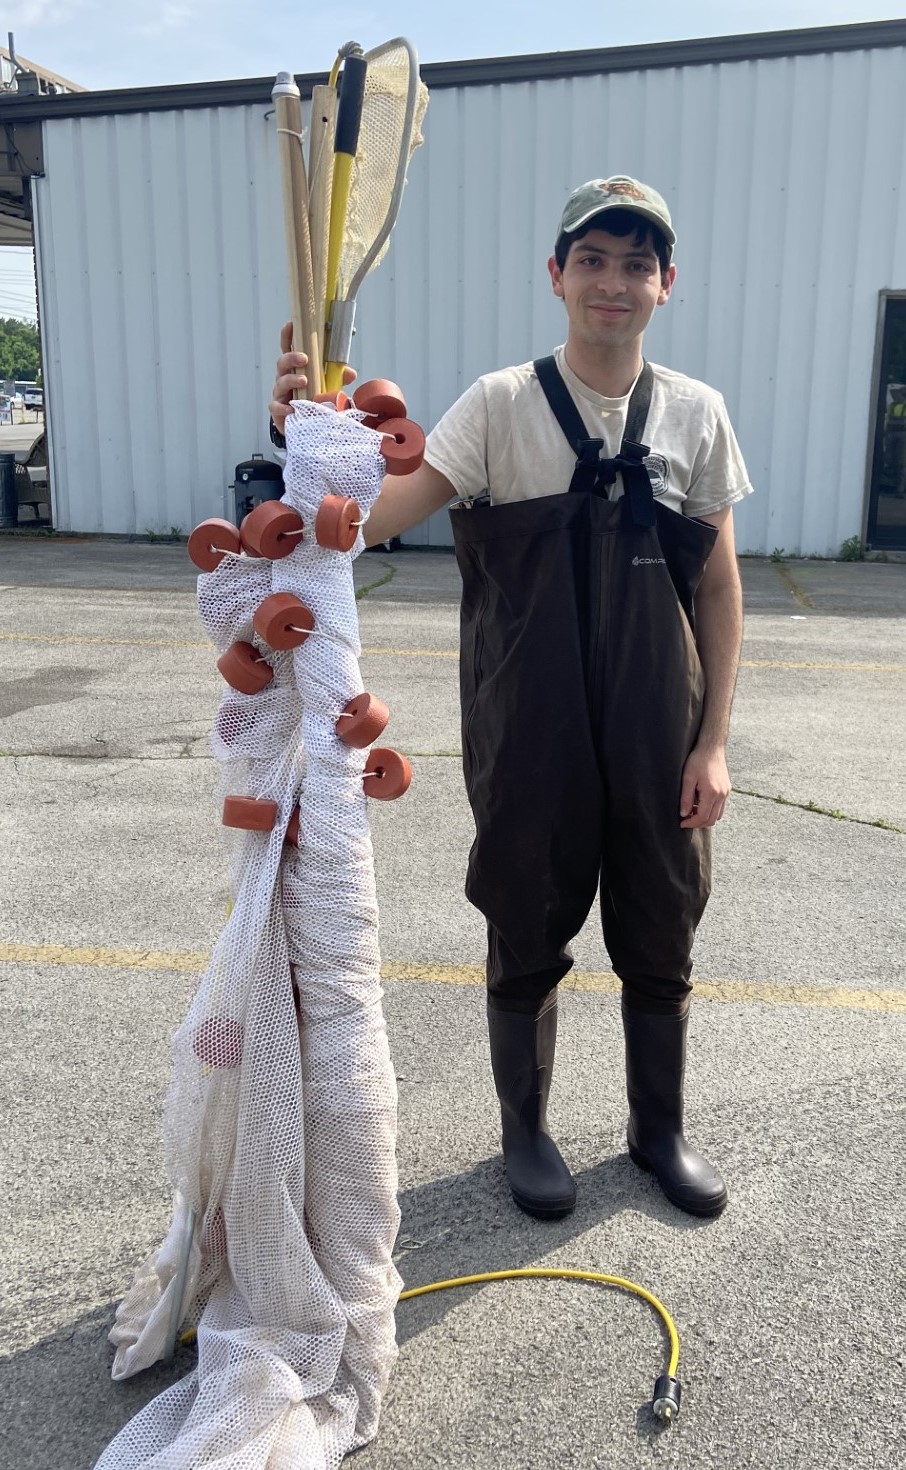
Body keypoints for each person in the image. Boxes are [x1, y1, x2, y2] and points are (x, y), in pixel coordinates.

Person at [270, 176, 753, 1222]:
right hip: (525, 726)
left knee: (663, 923)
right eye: (593, 259)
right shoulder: (497, 406)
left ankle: (657, 1130)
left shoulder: (698, 417)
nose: (613, 283)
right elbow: (374, 517)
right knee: (526, 919)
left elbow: (716, 583)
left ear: (667, 285)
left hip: (657, 727)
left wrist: (712, 743)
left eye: (637, 264)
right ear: (557, 275)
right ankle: (526, 1132)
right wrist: (313, 437)